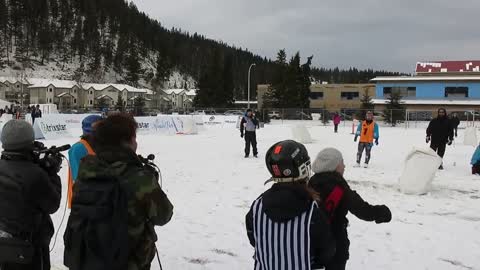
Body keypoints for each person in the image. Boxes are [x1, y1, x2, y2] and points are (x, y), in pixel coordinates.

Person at [64, 114, 173, 270]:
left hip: (87, 257)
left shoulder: (87, 169)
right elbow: (164, 215)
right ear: (127, 141)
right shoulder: (138, 178)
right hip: (127, 261)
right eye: (134, 138)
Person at [245, 140, 336, 270]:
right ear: (302, 168)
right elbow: (326, 252)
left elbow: (254, 239)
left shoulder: (257, 206)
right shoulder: (312, 213)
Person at [308, 147, 392, 270]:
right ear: (334, 166)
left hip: (313, 243)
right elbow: (363, 210)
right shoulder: (339, 187)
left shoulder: (311, 183)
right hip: (335, 244)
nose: (344, 166)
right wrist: (382, 212)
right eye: (342, 162)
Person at [0, 120, 62, 270]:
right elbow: (52, 205)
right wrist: (52, 173)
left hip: (5, 239)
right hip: (30, 245)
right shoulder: (35, 174)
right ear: (30, 141)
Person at [66, 114, 103, 208]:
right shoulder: (78, 149)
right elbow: (79, 178)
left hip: (99, 203)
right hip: (83, 203)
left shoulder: (100, 147)